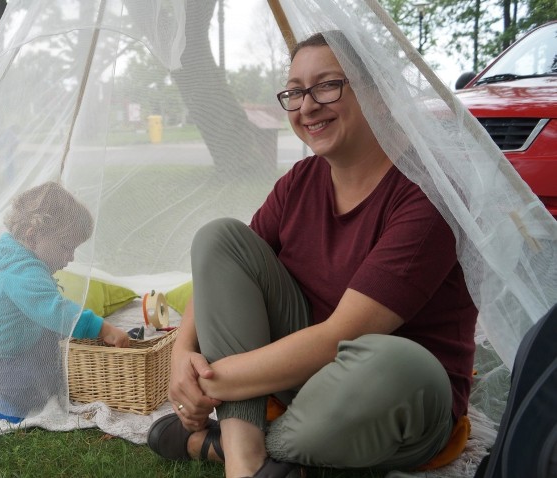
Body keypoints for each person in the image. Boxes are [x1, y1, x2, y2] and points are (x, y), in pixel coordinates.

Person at [146, 32, 478, 478]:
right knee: (218, 236)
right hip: (306, 382)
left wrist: (205, 385)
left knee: (400, 365)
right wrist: (181, 355)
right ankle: (245, 462)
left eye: (327, 85)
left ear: (378, 95)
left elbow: (342, 335)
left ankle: (227, 442)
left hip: (386, 395)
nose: (307, 106)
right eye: (296, 91)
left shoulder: (429, 192)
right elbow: (222, 265)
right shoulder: (300, 181)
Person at [0, 181, 130, 417]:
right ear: (33, 236)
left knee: (51, 350)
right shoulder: (22, 269)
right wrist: (102, 328)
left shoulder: (6, 253)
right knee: (39, 389)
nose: (71, 257)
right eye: (66, 247)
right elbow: (54, 311)